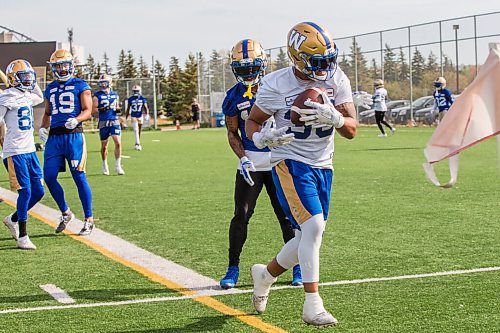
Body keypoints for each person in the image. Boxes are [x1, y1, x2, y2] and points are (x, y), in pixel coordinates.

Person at [245, 22, 357, 327]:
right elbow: (253, 123)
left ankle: (265, 275)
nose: (325, 68)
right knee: (314, 229)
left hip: (324, 164)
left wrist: (336, 117)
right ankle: (312, 304)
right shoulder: (276, 84)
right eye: (317, 62)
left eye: (328, 60)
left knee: (308, 236)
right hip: (289, 161)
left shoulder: (338, 79)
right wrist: (261, 139)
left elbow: (352, 129)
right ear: (297, 57)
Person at [219, 39, 302, 290]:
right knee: (241, 215)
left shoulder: (276, 87)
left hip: (279, 160)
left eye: (251, 67)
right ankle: (233, 267)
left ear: (262, 64)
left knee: (288, 217)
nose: (247, 73)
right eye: (242, 69)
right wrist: (242, 157)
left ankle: (297, 266)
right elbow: (232, 132)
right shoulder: (233, 97)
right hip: (251, 164)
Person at [39, 49, 94, 236]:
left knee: (79, 176)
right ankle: (65, 212)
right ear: (53, 68)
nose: (62, 69)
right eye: (58, 66)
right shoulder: (51, 88)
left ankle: (89, 219)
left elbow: (88, 110)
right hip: (54, 137)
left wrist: (77, 120)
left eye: (65, 65)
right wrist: (43, 128)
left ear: (71, 66)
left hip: (73, 136)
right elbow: (47, 113)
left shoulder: (81, 85)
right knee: (49, 176)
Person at [0, 59, 45, 249]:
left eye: (29, 76)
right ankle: (23, 236)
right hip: (15, 151)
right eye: (23, 76)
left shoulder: (27, 96)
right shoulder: (6, 97)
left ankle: (13, 219)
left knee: (39, 191)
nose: (28, 80)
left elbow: (40, 96)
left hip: (30, 150)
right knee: (25, 191)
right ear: (13, 78)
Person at [92, 74, 124, 175]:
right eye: (101, 83)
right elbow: (93, 110)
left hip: (114, 120)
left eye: (105, 82)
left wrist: (118, 110)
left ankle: (118, 165)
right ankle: (105, 164)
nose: (103, 85)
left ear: (110, 83)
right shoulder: (97, 96)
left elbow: (117, 107)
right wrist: (102, 109)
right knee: (104, 146)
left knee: (118, 142)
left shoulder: (115, 95)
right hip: (103, 121)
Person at [125, 85, 149, 150]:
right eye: (134, 91)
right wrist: (126, 118)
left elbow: (146, 107)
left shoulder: (142, 98)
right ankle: (138, 144)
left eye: (137, 91)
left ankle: (137, 142)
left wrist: (147, 114)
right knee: (136, 129)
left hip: (140, 115)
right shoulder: (130, 99)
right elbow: (128, 109)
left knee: (139, 129)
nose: (135, 92)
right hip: (133, 115)